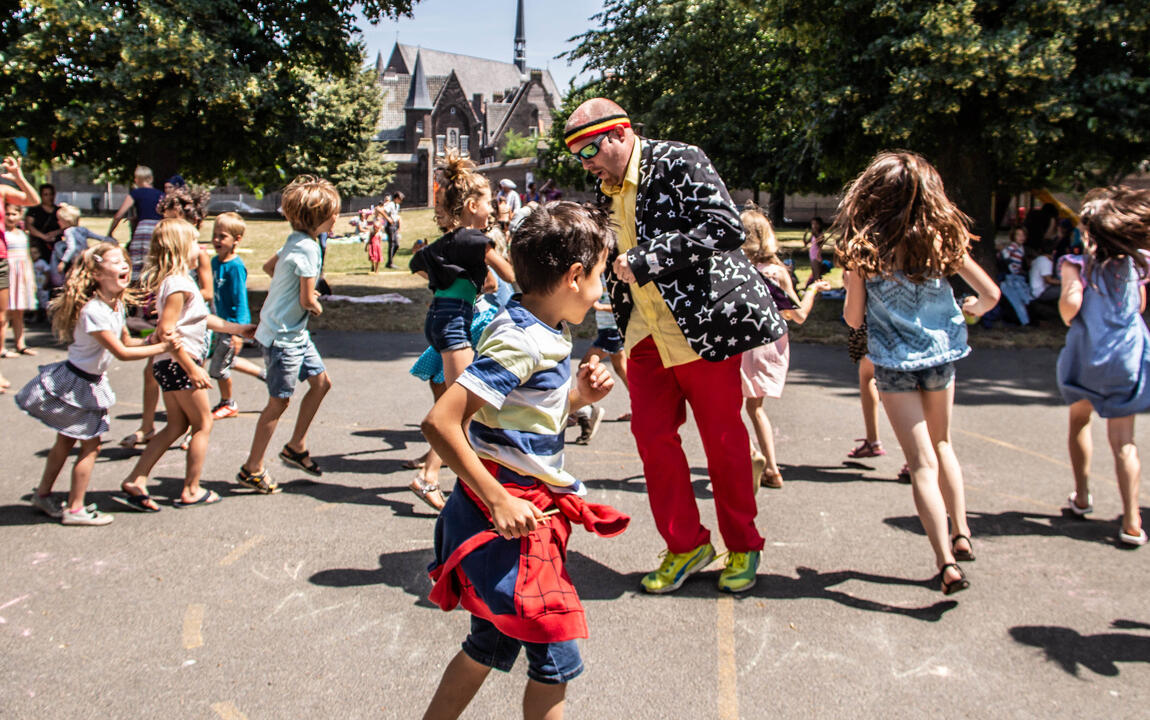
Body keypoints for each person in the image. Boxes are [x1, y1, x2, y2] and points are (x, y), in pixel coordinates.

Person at [564, 98, 785, 594]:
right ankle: (686, 545)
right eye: (579, 155)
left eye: (592, 149)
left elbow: (726, 226)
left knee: (723, 440)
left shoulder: (678, 159)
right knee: (652, 438)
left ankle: (743, 544)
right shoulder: (601, 191)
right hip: (643, 333)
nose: (588, 162)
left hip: (701, 327)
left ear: (620, 133)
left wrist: (650, 258)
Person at [420, 201, 627, 720]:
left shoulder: (541, 327)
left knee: (487, 646)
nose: (602, 292)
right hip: (510, 522)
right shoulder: (520, 339)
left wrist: (576, 396)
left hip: (518, 515)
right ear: (575, 277)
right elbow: (442, 422)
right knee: (557, 657)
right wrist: (498, 499)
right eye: (601, 277)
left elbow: (521, 417)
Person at [837, 150, 1000, 595]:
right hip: (941, 357)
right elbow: (990, 293)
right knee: (944, 445)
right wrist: (971, 309)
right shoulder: (942, 241)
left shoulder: (862, 253)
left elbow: (854, 320)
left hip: (892, 365)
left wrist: (861, 292)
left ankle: (945, 562)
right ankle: (962, 531)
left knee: (921, 463)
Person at [16, 243, 174, 525]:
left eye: (125, 261)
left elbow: (127, 341)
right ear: (98, 274)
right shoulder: (94, 311)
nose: (124, 265)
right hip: (77, 384)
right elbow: (123, 354)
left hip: (86, 382)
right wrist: (161, 347)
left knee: (65, 441)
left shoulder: (115, 306)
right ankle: (76, 509)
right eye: (115, 262)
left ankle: (42, 495)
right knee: (91, 446)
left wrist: (151, 340)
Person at [117, 219, 255, 511]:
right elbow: (167, 332)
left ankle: (136, 479)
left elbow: (203, 319)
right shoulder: (179, 284)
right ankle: (191, 489)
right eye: (195, 242)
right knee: (203, 424)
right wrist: (192, 368)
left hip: (168, 365)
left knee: (176, 425)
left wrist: (239, 329)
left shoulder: (178, 281)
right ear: (181, 248)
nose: (201, 248)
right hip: (180, 365)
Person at [409, 154, 516, 508]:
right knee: (462, 412)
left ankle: (437, 475)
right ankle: (448, 485)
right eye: (489, 203)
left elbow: (417, 263)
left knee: (459, 408)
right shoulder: (476, 240)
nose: (493, 208)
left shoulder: (446, 242)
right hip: (456, 321)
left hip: (441, 318)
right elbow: (511, 277)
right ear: (472, 205)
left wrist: (450, 283)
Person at [1057, 186, 1150, 547]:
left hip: (1086, 357)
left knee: (1080, 420)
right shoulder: (1135, 264)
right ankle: (1131, 520)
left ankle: (1082, 496)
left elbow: (1069, 308)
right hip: (1125, 359)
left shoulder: (1076, 264)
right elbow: (1138, 306)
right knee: (1124, 442)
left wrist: (1075, 296)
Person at [236, 176, 338, 493]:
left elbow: (269, 267)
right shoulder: (309, 249)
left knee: (321, 383)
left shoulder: (295, 240)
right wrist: (317, 306)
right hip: (283, 338)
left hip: (289, 332)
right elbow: (308, 300)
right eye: (334, 213)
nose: (337, 217)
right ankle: (252, 468)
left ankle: (296, 445)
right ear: (319, 218)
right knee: (278, 403)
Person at [739, 208, 830, 489]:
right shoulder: (777, 272)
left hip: (743, 343)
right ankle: (773, 469)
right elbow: (798, 315)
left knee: (731, 407)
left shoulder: (737, 269)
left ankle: (753, 453)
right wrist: (813, 289)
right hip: (772, 344)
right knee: (755, 408)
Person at [207, 212, 264, 419]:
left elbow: (240, 300)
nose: (216, 240)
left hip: (231, 326)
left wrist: (238, 332)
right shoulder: (214, 262)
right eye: (215, 235)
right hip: (219, 324)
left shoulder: (235, 267)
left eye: (222, 236)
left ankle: (228, 402)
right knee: (228, 361)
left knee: (218, 368)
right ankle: (265, 375)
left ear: (236, 240)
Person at [107, 165, 164, 277]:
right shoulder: (161, 194)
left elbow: (119, 214)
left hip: (143, 229)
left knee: (138, 261)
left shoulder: (136, 193)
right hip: (158, 228)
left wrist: (110, 233)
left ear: (137, 179)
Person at [2, 204, 38, 358]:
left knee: (19, 311)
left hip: (21, 274)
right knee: (4, 313)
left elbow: (27, 256)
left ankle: (20, 344)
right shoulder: (2, 234)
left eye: (14, 214)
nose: (11, 217)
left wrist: (31, 278)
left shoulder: (23, 234)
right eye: (8, 214)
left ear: (19, 215)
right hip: (8, 274)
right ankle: (2, 347)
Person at [51, 203, 112, 290]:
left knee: (72, 278)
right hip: (86, 257)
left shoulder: (68, 232)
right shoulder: (82, 229)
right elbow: (97, 236)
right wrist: (109, 240)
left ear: (66, 221)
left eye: (59, 220)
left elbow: (71, 247)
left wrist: (63, 262)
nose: (58, 222)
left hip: (77, 260)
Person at [998, 226, 1032, 324]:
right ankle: (1024, 320)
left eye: (1023, 235)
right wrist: (1010, 266)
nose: (1021, 237)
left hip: (1017, 275)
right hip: (1012, 277)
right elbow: (1004, 254)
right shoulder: (1014, 246)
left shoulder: (1021, 248)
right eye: (1018, 235)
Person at [23, 182, 60, 262]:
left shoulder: (59, 211)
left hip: (56, 246)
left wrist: (56, 232)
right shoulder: (34, 210)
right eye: (45, 195)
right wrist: (44, 237)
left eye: (51, 194)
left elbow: (67, 226)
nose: (49, 197)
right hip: (39, 246)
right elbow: (28, 225)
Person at [1028, 238, 1060, 304]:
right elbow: (1049, 280)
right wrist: (1065, 282)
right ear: (1054, 252)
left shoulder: (1038, 259)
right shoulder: (1045, 261)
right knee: (1066, 289)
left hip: (1035, 290)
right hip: (1040, 293)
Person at [802, 216, 827, 287]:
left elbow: (820, 242)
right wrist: (805, 235)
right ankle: (816, 291)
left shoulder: (820, 235)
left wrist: (815, 233)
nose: (814, 226)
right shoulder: (813, 235)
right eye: (813, 224)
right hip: (812, 257)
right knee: (814, 274)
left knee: (817, 276)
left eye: (816, 224)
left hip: (817, 257)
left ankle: (819, 291)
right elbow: (806, 243)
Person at [384, 191, 404, 268]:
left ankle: (390, 260)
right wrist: (388, 219)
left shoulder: (397, 206)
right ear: (396, 198)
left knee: (397, 245)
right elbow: (383, 211)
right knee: (392, 244)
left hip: (394, 225)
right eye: (400, 199)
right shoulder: (390, 205)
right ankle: (390, 263)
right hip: (389, 225)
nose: (401, 201)